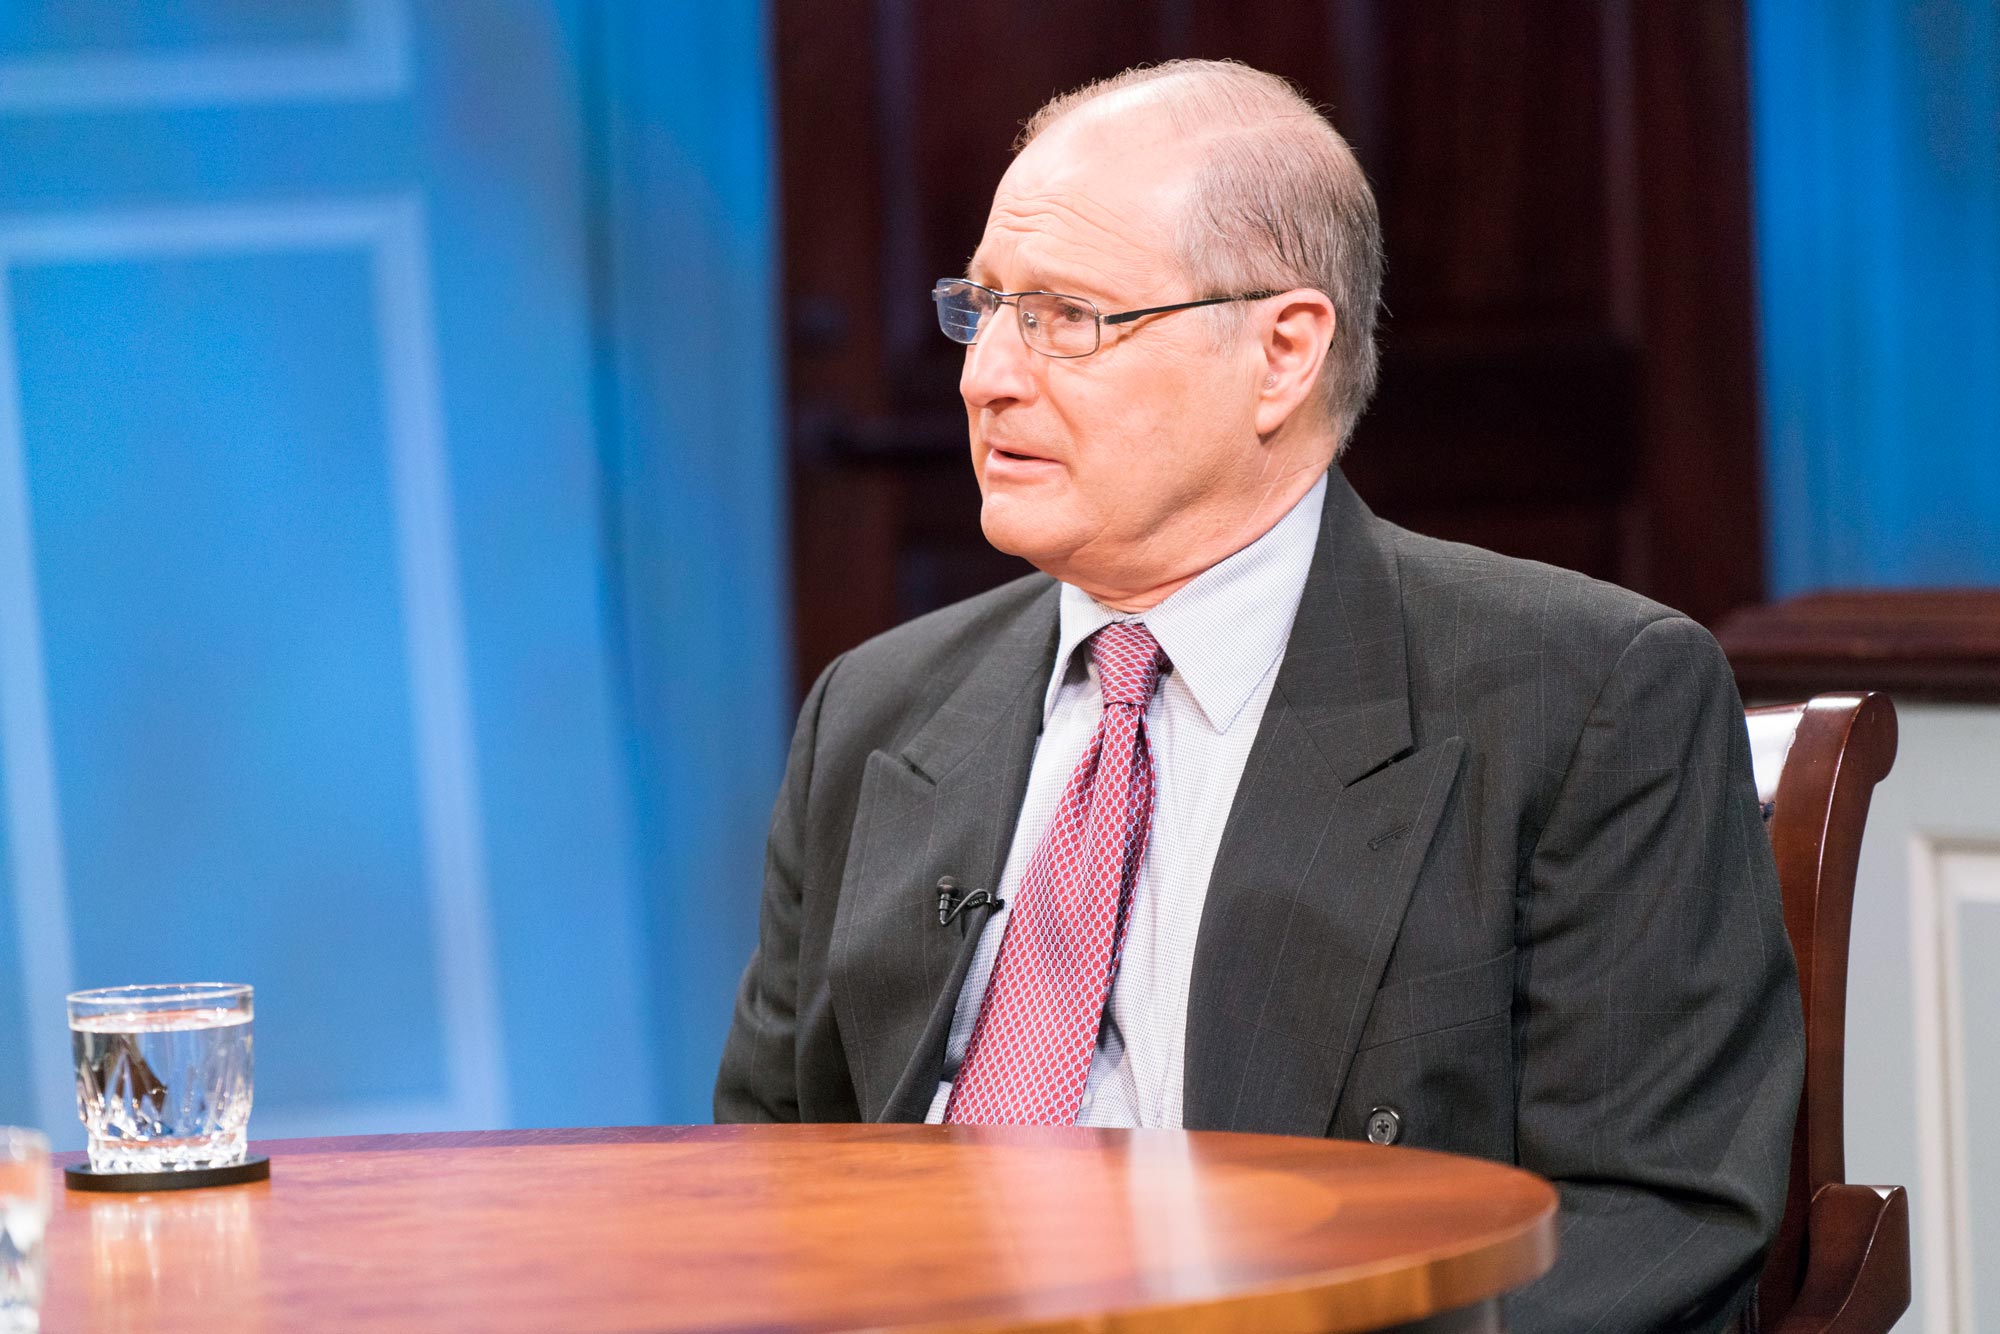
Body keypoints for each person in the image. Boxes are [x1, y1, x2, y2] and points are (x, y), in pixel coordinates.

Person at [716, 58, 1801, 1330]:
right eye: (986, 307)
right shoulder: (879, 707)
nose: (985, 376)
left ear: (1281, 353)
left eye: (1067, 316)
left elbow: (1652, 1222)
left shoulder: (1585, 693)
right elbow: (773, 1167)